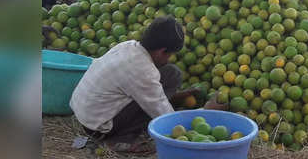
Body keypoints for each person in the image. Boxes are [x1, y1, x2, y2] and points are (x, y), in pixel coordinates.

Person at [70, 16, 226, 154]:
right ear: (162, 51)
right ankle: (119, 139)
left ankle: (157, 105)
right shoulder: (143, 71)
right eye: (170, 55)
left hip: (86, 111)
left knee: (172, 73)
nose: (169, 59)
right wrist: (205, 112)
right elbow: (165, 118)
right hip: (99, 127)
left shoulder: (128, 45)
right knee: (151, 108)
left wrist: (177, 96)